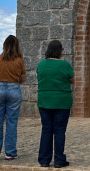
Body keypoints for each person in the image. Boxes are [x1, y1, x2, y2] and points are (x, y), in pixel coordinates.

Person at [37, 40, 74, 168]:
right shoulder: (64, 65)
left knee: (46, 129)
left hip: (44, 100)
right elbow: (72, 79)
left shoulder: (41, 64)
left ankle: (44, 160)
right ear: (60, 51)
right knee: (59, 130)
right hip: (62, 101)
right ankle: (59, 160)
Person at [0, 35, 26, 161]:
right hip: (13, 88)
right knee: (11, 122)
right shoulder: (19, 60)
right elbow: (23, 78)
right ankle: (10, 152)